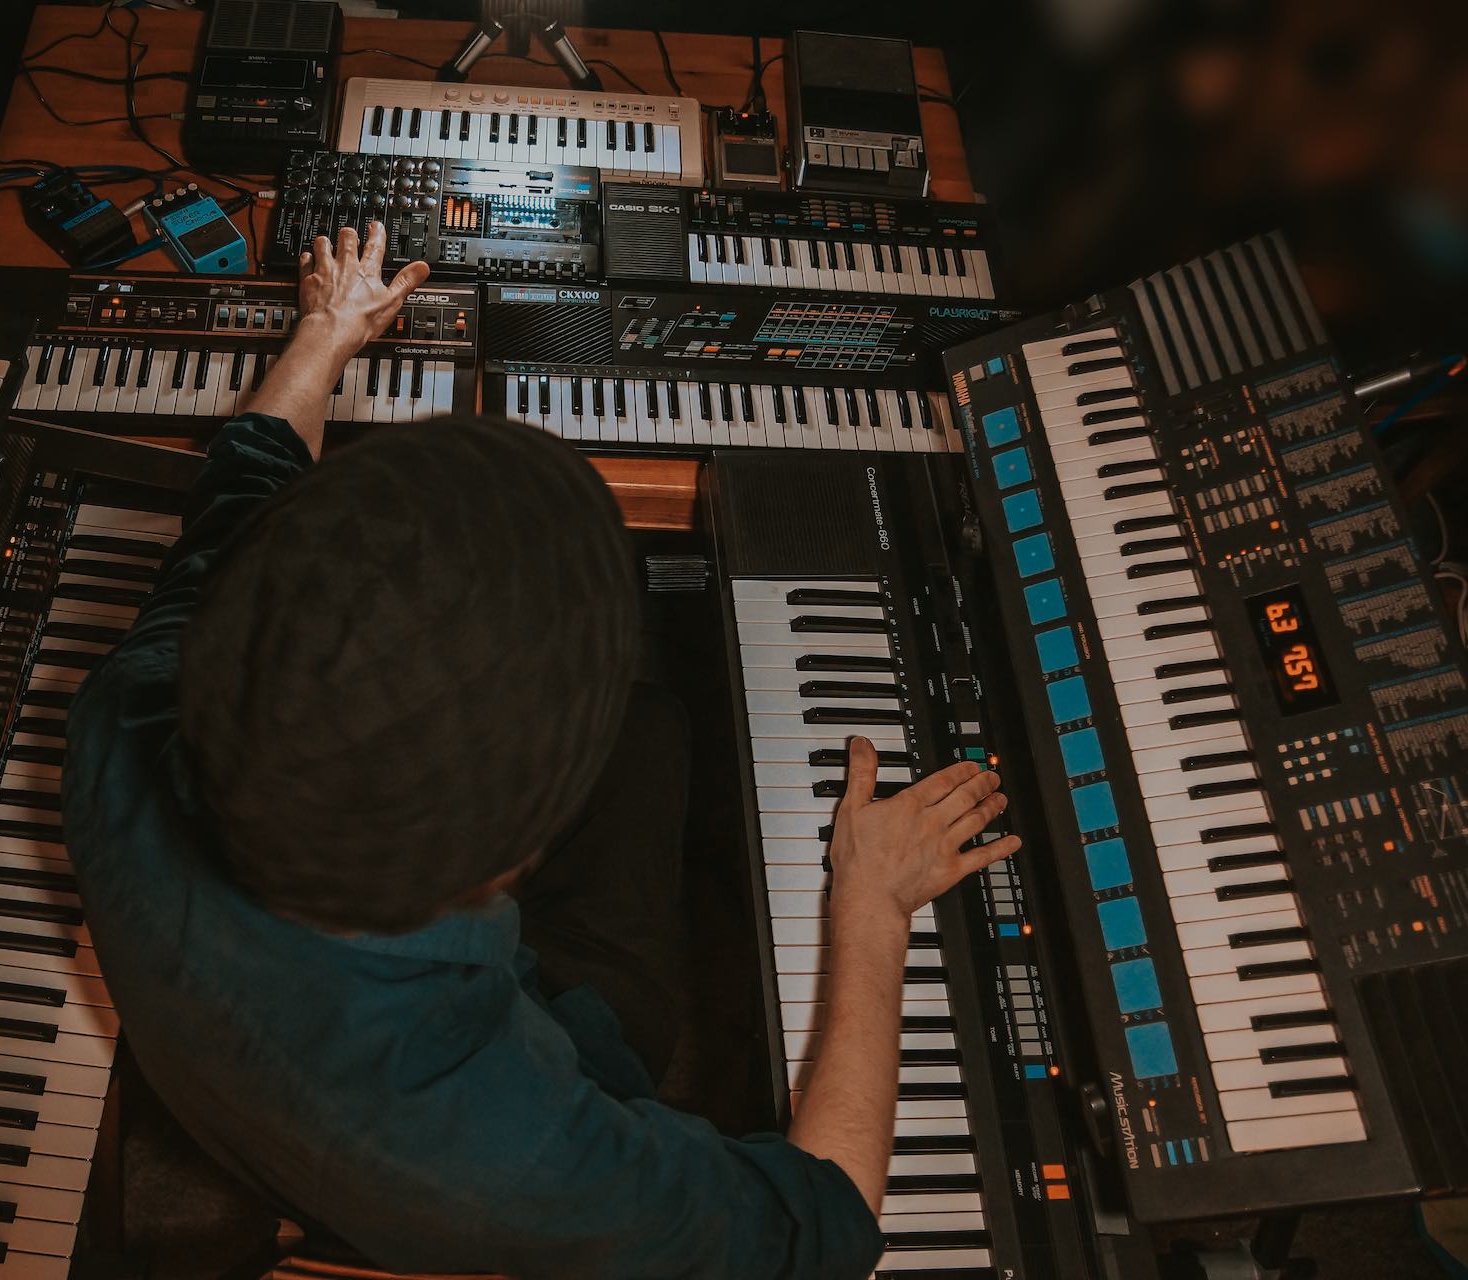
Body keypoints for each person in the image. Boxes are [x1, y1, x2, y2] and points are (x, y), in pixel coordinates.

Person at [62, 222, 1019, 1280]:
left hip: (244, 1049)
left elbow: (240, 497)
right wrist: (873, 907)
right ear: (518, 849)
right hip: (499, 1056)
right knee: (653, 730)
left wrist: (326, 335)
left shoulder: (126, 719)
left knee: (647, 727)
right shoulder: (525, 1144)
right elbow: (820, 1232)